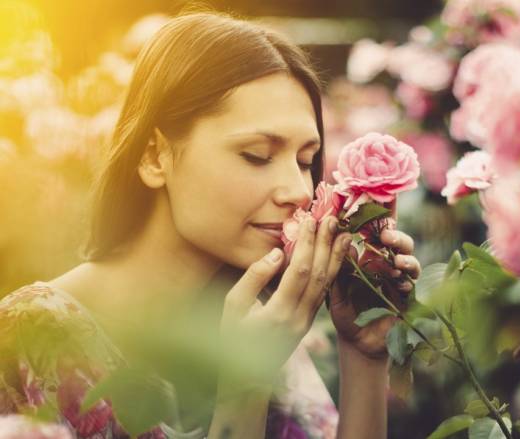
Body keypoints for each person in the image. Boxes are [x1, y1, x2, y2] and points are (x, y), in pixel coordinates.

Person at [0, 11, 421, 439]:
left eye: (305, 161)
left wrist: (364, 355)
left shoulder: (261, 329)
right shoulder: (29, 339)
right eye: (257, 155)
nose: (297, 190)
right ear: (153, 156)